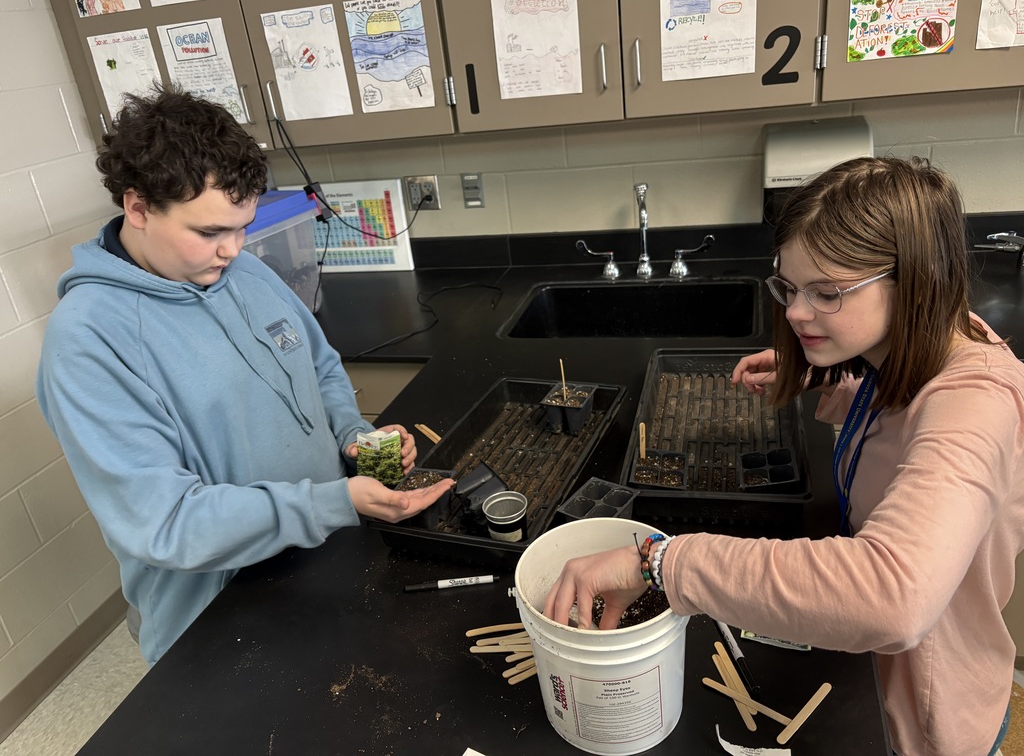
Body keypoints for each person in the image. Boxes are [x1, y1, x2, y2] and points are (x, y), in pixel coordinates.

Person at [544, 156, 1024, 756]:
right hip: (872, 676)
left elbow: (894, 597)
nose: (796, 313)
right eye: (789, 287)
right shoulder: (922, 342)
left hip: (924, 723)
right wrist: (838, 379)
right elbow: (902, 425)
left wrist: (664, 564)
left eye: (826, 293)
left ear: (917, 281)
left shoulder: (977, 402)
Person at [36, 84, 452, 665]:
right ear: (137, 208)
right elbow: (167, 524)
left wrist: (353, 439)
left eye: (243, 227)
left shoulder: (241, 273)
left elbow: (320, 367)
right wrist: (333, 502)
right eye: (208, 232)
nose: (232, 249)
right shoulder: (88, 342)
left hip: (320, 557)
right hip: (219, 615)